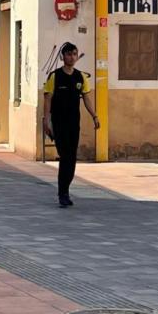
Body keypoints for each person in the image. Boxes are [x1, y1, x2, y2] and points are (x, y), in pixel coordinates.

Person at [43, 42, 99, 208]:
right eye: (69, 54)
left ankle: (65, 190)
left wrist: (94, 116)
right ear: (63, 57)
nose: (72, 57)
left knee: (71, 158)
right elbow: (47, 98)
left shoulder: (80, 77)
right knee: (65, 156)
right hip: (59, 122)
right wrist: (46, 121)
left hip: (74, 122)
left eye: (74, 54)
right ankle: (62, 193)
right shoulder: (55, 76)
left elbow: (87, 98)